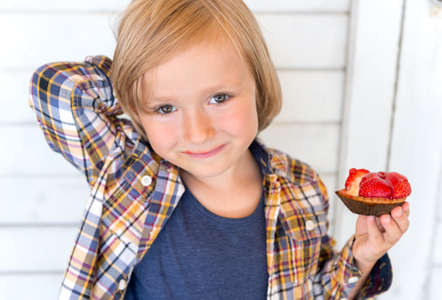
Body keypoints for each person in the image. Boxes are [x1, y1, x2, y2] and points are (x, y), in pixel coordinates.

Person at [28, 0, 409, 299]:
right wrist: (136, 74)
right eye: (165, 107)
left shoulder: (302, 187)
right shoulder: (128, 170)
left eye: (219, 97)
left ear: (257, 83)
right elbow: (55, 87)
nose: (197, 133)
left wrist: (363, 255)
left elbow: (316, 292)